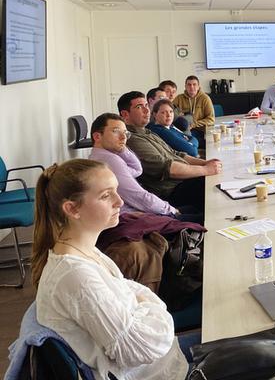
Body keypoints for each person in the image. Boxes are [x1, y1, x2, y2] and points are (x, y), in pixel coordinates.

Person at [31, 159, 189, 379]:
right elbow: (140, 348)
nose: (120, 201)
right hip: (156, 371)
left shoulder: (88, 252)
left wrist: (143, 308)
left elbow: (137, 292)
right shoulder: (75, 276)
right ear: (72, 209)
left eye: (116, 191)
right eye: (106, 196)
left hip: (162, 360)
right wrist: (156, 310)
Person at [119, 91, 221, 214]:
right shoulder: (132, 139)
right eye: (139, 107)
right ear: (125, 114)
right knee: (211, 183)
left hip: (182, 181)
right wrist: (206, 170)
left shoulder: (147, 132)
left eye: (146, 105)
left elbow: (176, 153)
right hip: (171, 191)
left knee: (216, 177)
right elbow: (165, 167)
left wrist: (205, 163)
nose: (147, 110)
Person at [88, 113, 181, 218]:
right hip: (135, 218)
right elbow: (140, 197)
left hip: (138, 212)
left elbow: (137, 169)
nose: (123, 137)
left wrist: (123, 149)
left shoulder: (99, 155)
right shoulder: (110, 160)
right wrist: (172, 210)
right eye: (116, 131)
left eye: (125, 133)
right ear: (97, 136)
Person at [172, 75, 215, 148]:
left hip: (200, 131)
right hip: (183, 130)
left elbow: (211, 119)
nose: (191, 87)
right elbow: (172, 114)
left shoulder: (205, 98)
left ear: (198, 86)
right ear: (185, 86)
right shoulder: (179, 98)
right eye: (189, 85)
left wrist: (194, 124)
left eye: (194, 84)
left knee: (190, 142)